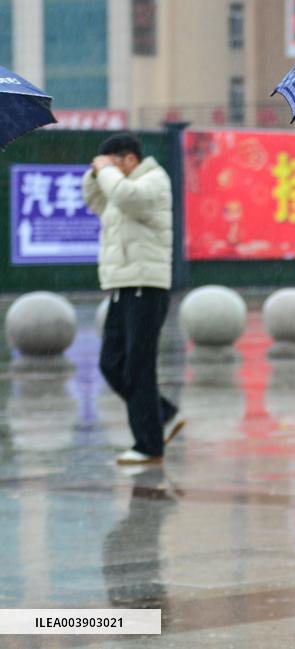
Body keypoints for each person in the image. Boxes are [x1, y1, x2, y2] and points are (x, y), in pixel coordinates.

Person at [82, 133, 182, 466]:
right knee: (110, 363)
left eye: (113, 163)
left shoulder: (153, 180)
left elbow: (128, 198)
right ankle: (162, 413)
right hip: (121, 287)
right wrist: (95, 173)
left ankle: (148, 445)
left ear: (130, 159)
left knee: (139, 367)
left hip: (146, 287)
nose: (108, 171)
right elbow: (94, 200)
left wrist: (107, 171)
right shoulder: (116, 187)